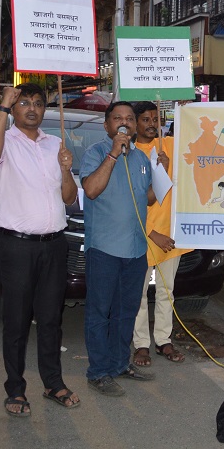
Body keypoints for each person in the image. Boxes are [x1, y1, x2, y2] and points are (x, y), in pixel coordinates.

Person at [0, 84, 79, 416]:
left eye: (38, 103)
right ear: (14, 108)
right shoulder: (3, 140)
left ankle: (53, 383)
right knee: (17, 321)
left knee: (51, 319)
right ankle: (15, 389)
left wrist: (65, 169)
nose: (32, 108)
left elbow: (69, 197)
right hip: (16, 246)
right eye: (24, 103)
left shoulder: (55, 144)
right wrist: (3, 105)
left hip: (54, 246)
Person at [81, 101, 160, 397]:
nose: (124, 122)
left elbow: (147, 199)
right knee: (100, 313)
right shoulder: (96, 153)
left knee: (127, 312)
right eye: (118, 118)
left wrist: (161, 173)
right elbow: (91, 189)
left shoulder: (141, 158)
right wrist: (114, 153)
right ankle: (98, 372)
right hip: (104, 248)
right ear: (107, 125)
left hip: (135, 249)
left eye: (129, 118)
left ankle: (118, 364)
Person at [131, 101, 188, 367]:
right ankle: (141, 344)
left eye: (156, 119)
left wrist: (186, 109)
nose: (152, 124)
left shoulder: (170, 145)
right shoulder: (130, 154)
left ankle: (164, 340)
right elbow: (130, 203)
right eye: (145, 119)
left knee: (167, 291)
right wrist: (152, 234)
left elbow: (194, 135)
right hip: (143, 235)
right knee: (139, 294)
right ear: (135, 123)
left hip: (171, 235)